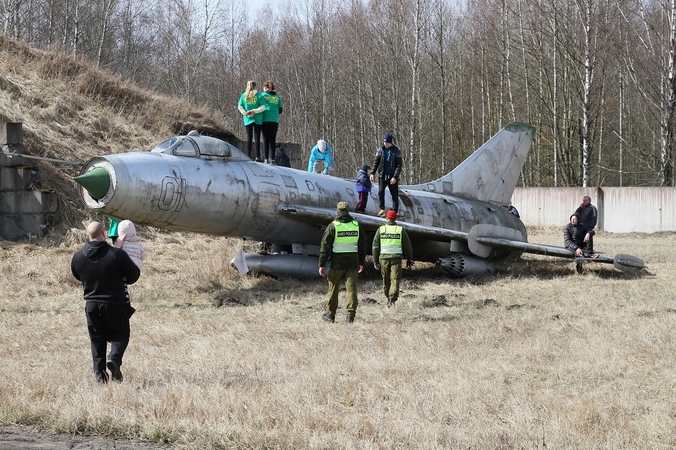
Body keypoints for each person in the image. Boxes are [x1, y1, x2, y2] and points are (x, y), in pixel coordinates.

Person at [71, 221, 141, 384]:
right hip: (115, 304)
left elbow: (77, 275)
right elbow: (133, 277)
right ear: (104, 234)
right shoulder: (117, 255)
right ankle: (114, 359)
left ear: (87, 236)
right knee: (120, 336)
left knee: (97, 339)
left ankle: (100, 376)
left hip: (91, 305)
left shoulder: (78, 257)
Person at [318, 201, 367, 323]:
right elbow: (362, 246)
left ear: (337, 212)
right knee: (351, 290)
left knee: (333, 289)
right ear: (348, 211)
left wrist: (322, 264)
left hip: (337, 264)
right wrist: (361, 262)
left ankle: (330, 315)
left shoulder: (333, 226)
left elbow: (325, 246)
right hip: (352, 264)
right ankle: (350, 316)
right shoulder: (356, 225)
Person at [372, 210, 413, 307]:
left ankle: (388, 297)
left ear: (386, 218)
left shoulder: (381, 229)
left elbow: (375, 246)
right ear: (396, 218)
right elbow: (407, 246)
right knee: (394, 279)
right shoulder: (400, 230)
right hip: (396, 258)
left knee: (386, 280)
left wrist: (375, 261)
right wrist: (409, 258)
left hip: (384, 259)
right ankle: (391, 299)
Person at [370, 133, 403, 217]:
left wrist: (395, 177)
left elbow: (399, 165)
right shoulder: (380, 150)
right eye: (384, 142)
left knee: (394, 194)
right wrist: (372, 173)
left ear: (390, 142)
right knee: (380, 192)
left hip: (392, 176)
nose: (385, 143)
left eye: (387, 142)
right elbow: (376, 163)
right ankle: (382, 209)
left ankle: (395, 211)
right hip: (382, 175)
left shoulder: (396, 151)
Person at [237, 80, 266, 161]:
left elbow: (240, 107)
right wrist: (255, 111)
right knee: (257, 137)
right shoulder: (259, 95)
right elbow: (263, 107)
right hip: (258, 118)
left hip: (247, 118)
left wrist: (245, 113)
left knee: (249, 137)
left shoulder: (243, 95)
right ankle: (258, 156)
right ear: (255, 86)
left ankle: (248, 155)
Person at [260, 80, 283, 164]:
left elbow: (259, 106)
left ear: (265, 87)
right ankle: (272, 158)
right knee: (272, 139)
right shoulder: (277, 96)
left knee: (265, 139)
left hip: (265, 119)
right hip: (274, 120)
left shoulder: (262, 96)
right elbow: (280, 110)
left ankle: (265, 158)